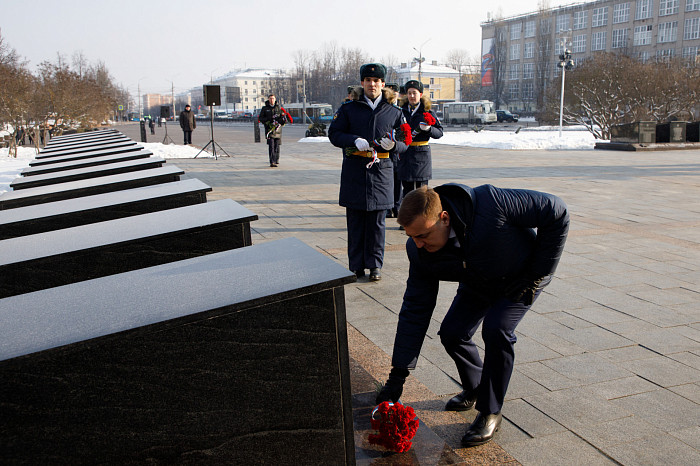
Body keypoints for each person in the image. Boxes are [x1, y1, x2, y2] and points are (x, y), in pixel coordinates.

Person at [376, 184, 569, 447]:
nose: (418, 244)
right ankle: (477, 388)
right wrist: (398, 376)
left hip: (522, 277)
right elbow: (415, 309)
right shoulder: (420, 252)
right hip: (479, 281)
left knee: (496, 328)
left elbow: (556, 211)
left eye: (423, 235)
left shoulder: (492, 204)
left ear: (444, 218)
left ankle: (490, 411)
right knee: (453, 333)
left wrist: (536, 273)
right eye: (412, 237)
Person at [328, 63, 409, 281]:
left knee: (376, 223)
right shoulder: (348, 109)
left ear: (383, 84)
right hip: (355, 171)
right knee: (355, 222)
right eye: (368, 80)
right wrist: (353, 139)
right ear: (362, 83)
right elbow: (334, 134)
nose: (372, 84)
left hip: (382, 172)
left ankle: (375, 265)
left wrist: (394, 147)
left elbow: (405, 141)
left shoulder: (394, 112)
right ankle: (356, 265)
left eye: (376, 81)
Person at [398, 80, 443, 199]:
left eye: (414, 93)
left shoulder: (427, 112)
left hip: (421, 155)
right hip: (405, 153)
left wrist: (428, 129)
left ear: (421, 94)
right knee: (407, 191)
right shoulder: (401, 111)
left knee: (422, 192)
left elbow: (439, 132)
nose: (412, 96)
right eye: (409, 93)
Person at [258, 94, 289, 167]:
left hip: (277, 130)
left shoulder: (278, 108)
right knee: (271, 145)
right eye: (270, 98)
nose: (272, 100)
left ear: (275, 99)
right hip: (270, 130)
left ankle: (276, 159)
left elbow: (282, 117)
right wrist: (268, 120)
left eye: (273, 98)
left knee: (277, 146)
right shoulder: (265, 108)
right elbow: (261, 118)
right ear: (268, 99)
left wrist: (282, 120)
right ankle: (272, 161)